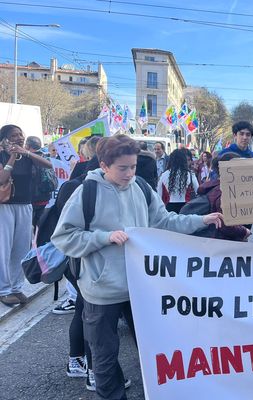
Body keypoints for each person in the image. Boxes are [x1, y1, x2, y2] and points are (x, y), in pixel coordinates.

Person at [52, 134, 223, 400]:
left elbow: (166, 221)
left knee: (155, 349)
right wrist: (104, 237)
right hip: (102, 291)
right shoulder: (87, 191)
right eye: (123, 168)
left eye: (133, 166)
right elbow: (63, 238)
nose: (130, 173)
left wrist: (202, 219)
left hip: (140, 287)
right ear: (104, 165)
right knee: (104, 356)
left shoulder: (141, 187)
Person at [0, 125, 52, 306]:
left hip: (25, 204)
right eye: (13, 135)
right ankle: (3, 290)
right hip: (4, 206)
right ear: (4, 139)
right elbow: (2, 179)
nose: (19, 138)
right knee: (3, 248)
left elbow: (49, 164)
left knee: (21, 248)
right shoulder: (2, 155)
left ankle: (16, 287)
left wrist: (26, 153)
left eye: (20, 134)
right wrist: (13, 157)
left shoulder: (28, 156)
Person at [194, 152, 251, 241]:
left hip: (213, 239)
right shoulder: (224, 191)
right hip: (224, 242)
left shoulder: (214, 186)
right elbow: (225, 223)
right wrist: (244, 231)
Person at [158, 149, 199, 213]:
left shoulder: (164, 175)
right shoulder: (190, 175)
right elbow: (198, 191)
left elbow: (159, 194)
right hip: (186, 207)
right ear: (184, 161)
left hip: (169, 207)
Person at [26, 136, 53, 227]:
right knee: (39, 225)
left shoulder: (28, 159)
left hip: (32, 199)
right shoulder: (46, 158)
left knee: (29, 225)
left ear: (27, 146)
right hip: (45, 198)